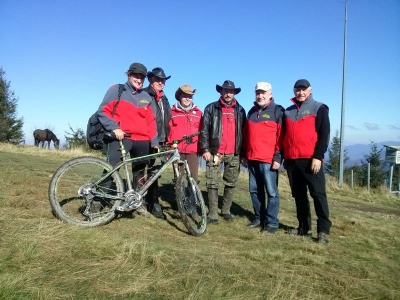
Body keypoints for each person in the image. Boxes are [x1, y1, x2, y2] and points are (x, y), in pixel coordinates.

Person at [97, 62, 158, 217]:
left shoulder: (146, 97)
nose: (139, 79)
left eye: (142, 77)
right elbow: (103, 111)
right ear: (129, 75)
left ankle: (137, 204)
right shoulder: (117, 90)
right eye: (136, 76)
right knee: (111, 169)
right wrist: (114, 127)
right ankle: (98, 201)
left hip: (143, 140)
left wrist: (155, 141)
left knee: (140, 174)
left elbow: (151, 122)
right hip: (121, 137)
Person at [281, 79, 332, 243]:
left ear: (310, 90)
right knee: (299, 196)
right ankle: (303, 227)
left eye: (304, 90)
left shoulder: (319, 108)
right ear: (294, 91)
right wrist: (284, 157)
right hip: (292, 161)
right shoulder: (287, 112)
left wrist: (318, 156)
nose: (300, 93)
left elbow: (324, 135)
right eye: (298, 90)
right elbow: (283, 136)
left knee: (318, 195)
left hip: (311, 160)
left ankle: (323, 231)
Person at [200, 80, 246, 224]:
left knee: (231, 182)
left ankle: (226, 210)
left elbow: (244, 133)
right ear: (220, 91)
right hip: (215, 152)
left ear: (234, 93)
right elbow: (204, 131)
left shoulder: (240, 110)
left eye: (230, 91)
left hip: (234, 153)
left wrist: (242, 153)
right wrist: (205, 149)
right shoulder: (210, 108)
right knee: (212, 183)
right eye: (225, 91)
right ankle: (213, 213)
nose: (228, 93)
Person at [241, 82, 284, 233]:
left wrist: (278, 158)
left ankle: (272, 223)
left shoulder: (277, 111)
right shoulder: (252, 111)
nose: (260, 95)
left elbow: (281, 137)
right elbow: (247, 135)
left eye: (263, 92)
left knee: (271, 192)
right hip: (252, 159)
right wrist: (244, 154)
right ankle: (259, 218)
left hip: (268, 160)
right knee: (254, 191)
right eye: (258, 92)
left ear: (270, 94)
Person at [143, 67, 172, 219]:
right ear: (150, 80)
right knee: (141, 170)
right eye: (157, 80)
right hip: (146, 139)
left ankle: (153, 202)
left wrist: (167, 138)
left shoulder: (164, 99)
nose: (161, 82)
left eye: (163, 80)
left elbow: (168, 120)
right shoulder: (144, 94)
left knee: (155, 172)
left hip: (161, 140)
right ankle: (141, 201)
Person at [167, 84, 202, 183]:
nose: (187, 99)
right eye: (185, 96)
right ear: (180, 97)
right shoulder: (172, 112)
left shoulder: (199, 113)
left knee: (194, 179)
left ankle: (193, 197)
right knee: (178, 180)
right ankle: (179, 198)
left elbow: (202, 132)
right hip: (177, 151)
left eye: (190, 96)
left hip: (193, 151)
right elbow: (168, 131)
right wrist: (170, 148)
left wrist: (201, 148)